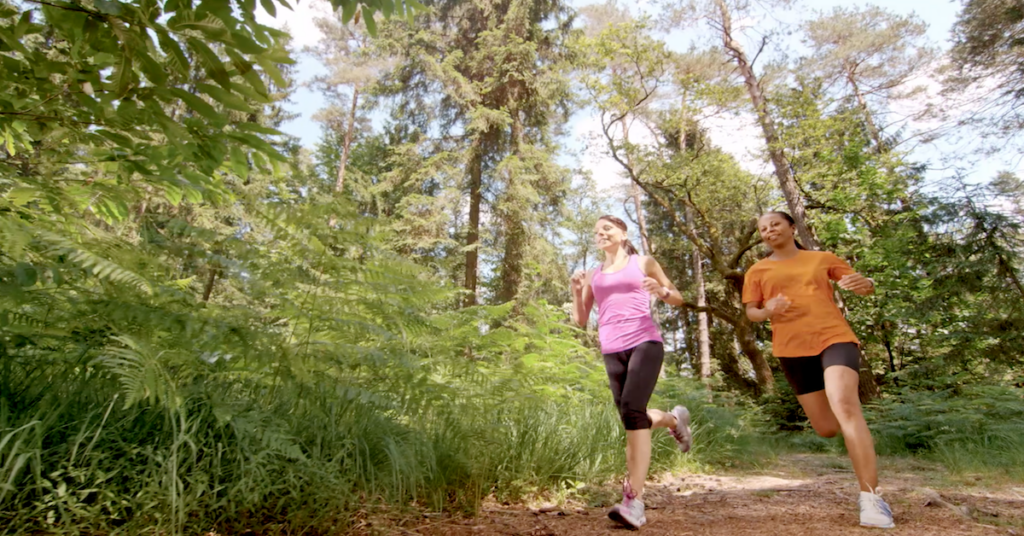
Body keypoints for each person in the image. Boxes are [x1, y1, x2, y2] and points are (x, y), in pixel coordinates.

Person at [742, 211, 895, 529]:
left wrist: (866, 283)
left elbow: (863, 286)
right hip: (791, 349)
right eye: (763, 228)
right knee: (826, 426)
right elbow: (752, 313)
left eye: (776, 224)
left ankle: (871, 499)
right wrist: (768, 309)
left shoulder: (821, 258)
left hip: (833, 337)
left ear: (792, 228)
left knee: (845, 405)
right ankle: (855, 440)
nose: (769, 230)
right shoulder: (758, 269)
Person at [570, 215, 692, 530]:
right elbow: (581, 320)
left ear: (623, 233)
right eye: (596, 231)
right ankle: (673, 420)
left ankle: (633, 502)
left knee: (631, 410)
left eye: (607, 228)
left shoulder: (644, 262)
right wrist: (575, 290)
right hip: (611, 348)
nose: (601, 234)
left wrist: (661, 292)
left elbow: (678, 298)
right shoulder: (594, 274)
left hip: (645, 341)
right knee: (631, 417)